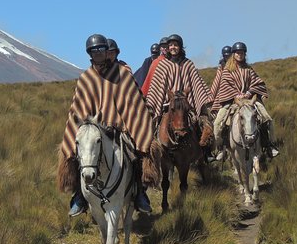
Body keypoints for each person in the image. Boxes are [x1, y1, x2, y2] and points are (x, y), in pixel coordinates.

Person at [57, 34, 156, 216]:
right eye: (94, 52)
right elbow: (78, 109)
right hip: (93, 128)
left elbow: (135, 102)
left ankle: (139, 193)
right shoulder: (86, 78)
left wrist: (127, 123)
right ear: (90, 54)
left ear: (107, 52)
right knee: (80, 153)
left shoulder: (121, 75)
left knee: (134, 152)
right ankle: (79, 196)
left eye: (101, 51)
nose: (99, 54)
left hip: (119, 128)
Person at [212, 41, 280, 161]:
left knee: (266, 118)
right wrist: (236, 95)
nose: (240, 54)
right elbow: (225, 86)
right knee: (218, 123)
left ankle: (269, 145)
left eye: (242, 53)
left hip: (249, 100)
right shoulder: (227, 70)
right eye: (237, 52)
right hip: (232, 101)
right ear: (233, 54)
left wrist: (248, 93)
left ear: (245, 54)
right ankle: (221, 148)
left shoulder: (249, 69)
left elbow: (257, 82)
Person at [144, 34, 213, 125]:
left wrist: (206, 98)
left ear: (180, 47)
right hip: (168, 106)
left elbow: (197, 84)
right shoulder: (163, 65)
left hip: (185, 105)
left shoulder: (188, 64)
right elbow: (156, 87)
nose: (173, 47)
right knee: (152, 128)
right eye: (171, 45)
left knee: (202, 126)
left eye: (176, 45)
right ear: (168, 48)